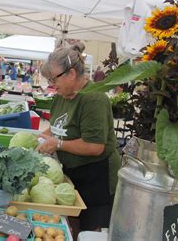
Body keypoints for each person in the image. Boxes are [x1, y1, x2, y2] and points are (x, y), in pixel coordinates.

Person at [36, 43, 120, 231]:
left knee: (91, 229)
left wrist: (57, 144)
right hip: (74, 173)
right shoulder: (60, 96)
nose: (51, 85)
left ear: (72, 74)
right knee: (70, 227)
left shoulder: (94, 99)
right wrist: (42, 137)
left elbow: (94, 146)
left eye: (53, 79)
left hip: (97, 177)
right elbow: (58, 126)